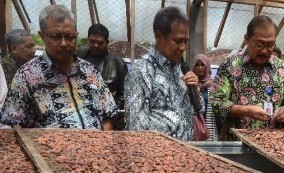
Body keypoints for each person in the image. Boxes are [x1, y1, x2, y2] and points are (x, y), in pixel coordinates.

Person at [0, 5, 117, 130]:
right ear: (42, 36)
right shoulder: (26, 75)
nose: (64, 43)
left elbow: (107, 116)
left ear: (76, 35)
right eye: (55, 36)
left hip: (96, 148)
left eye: (70, 37)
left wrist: (105, 145)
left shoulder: (90, 71)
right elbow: (15, 126)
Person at [210, 15, 284, 140]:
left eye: (270, 45)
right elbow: (217, 102)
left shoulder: (283, 68)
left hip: (273, 145)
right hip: (237, 145)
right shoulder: (230, 65)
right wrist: (246, 111)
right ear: (247, 39)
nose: (265, 51)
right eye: (259, 45)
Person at [124, 6, 203, 141]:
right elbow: (136, 130)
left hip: (184, 153)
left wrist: (195, 89)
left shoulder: (181, 68)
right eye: (178, 41)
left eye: (186, 41)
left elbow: (199, 108)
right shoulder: (141, 72)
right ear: (159, 36)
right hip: (157, 158)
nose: (183, 47)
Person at [77, 24, 127, 111]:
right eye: (92, 41)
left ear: (107, 42)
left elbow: (124, 93)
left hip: (108, 113)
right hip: (82, 110)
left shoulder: (118, 63)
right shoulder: (79, 56)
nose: (96, 45)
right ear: (88, 39)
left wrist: (112, 112)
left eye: (100, 43)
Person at [192, 54, 219, 141]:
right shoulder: (190, 84)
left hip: (210, 124)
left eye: (202, 65)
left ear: (207, 66)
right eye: (197, 65)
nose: (200, 68)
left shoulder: (214, 85)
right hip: (194, 125)